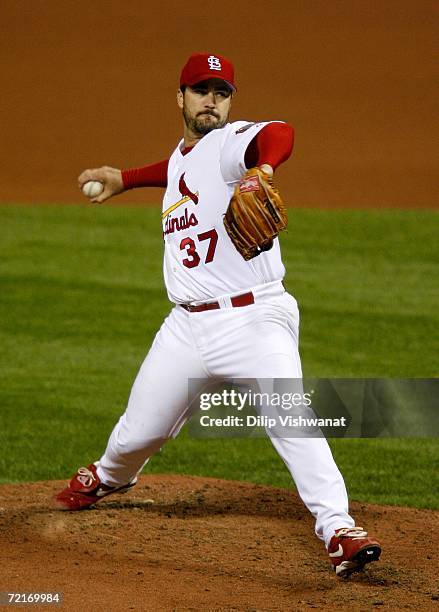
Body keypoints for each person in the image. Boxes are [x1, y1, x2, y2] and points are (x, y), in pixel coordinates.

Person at [56, 52, 381, 578]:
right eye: (201, 89)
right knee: (138, 432)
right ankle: (110, 475)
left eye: (222, 91)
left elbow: (280, 131)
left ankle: (338, 529)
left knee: (288, 417)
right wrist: (126, 177)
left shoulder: (232, 145)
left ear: (230, 100)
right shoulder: (188, 155)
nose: (212, 99)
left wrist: (264, 169)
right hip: (185, 327)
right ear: (179, 97)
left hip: (255, 320)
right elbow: (177, 168)